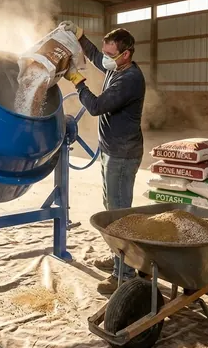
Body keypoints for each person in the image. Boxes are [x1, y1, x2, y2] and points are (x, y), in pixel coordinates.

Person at [59, 21, 146, 295]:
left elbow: (96, 106)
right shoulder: (116, 67)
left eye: (111, 54)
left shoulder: (129, 79)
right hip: (111, 151)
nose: (105, 58)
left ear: (126, 54)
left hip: (123, 155)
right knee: (111, 210)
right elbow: (97, 57)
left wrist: (77, 81)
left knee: (120, 216)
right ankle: (117, 259)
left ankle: (124, 275)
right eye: (106, 52)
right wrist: (80, 36)